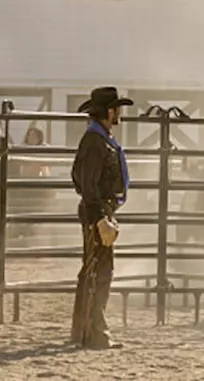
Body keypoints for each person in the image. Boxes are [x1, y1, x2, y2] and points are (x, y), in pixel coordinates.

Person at [70, 86, 131, 350]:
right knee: (99, 272)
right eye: (117, 108)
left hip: (101, 210)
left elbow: (81, 180)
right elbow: (86, 183)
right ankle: (94, 333)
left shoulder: (97, 139)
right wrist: (99, 218)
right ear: (109, 111)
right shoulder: (96, 142)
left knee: (95, 271)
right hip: (98, 211)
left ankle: (87, 331)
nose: (119, 113)